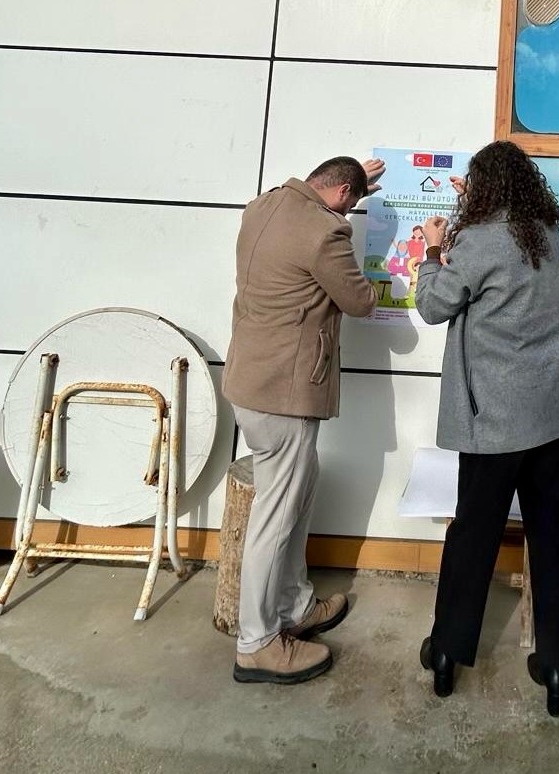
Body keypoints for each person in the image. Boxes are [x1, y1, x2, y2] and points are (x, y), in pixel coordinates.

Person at [414, 140, 559, 717]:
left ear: (484, 189)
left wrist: (433, 250)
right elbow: (504, 249)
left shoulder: (476, 242)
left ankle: (447, 652)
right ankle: (553, 663)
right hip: (552, 417)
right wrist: (474, 209)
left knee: (474, 535)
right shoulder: (548, 235)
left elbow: (433, 306)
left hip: (495, 423)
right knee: (550, 534)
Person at [223, 156, 383, 684]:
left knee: (297, 492)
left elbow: (326, 196)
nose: (350, 212)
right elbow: (359, 301)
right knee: (274, 518)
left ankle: (294, 605)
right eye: (352, 203)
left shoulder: (262, 206)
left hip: (249, 381)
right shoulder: (325, 233)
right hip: (284, 393)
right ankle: (257, 643)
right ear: (342, 194)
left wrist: (351, 182)